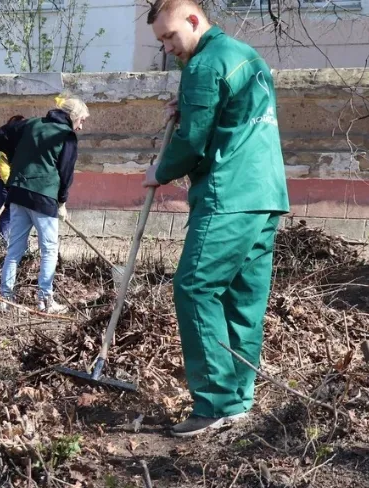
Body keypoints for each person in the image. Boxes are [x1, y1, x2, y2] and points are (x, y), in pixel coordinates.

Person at [143, 0, 290, 437]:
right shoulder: (248, 56)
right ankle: (238, 399)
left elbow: (192, 141)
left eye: (170, 36)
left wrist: (161, 170)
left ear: (194, 20)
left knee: (194, 286)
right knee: (241, 298)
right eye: (160, 41)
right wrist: (187, 106)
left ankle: (213, 404)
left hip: (229, 193)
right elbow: (231, 115)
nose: (167, 47)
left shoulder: (205, 64)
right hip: (265, 194)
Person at [0, 95, 89, 314]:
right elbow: (66, 173)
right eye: (82, 120)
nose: (81, 126)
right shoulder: (66, 136)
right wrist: (62, 202)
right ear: (72, 116)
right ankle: (45, 301)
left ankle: (5, 299)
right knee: (49, 250)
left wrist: (15, 161)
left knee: (14, 250)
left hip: (18, 192)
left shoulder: (31, 124)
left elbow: (2, 134)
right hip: (44, 197)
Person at [0, 115, 28, 242]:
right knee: (6, 212)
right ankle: (4, 243)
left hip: (18, 181)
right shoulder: (4, 138)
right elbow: (4, 169)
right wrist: (10, 186)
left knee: (21, 213)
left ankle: (19, 245)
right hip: (3, 179)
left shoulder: (25, 140)